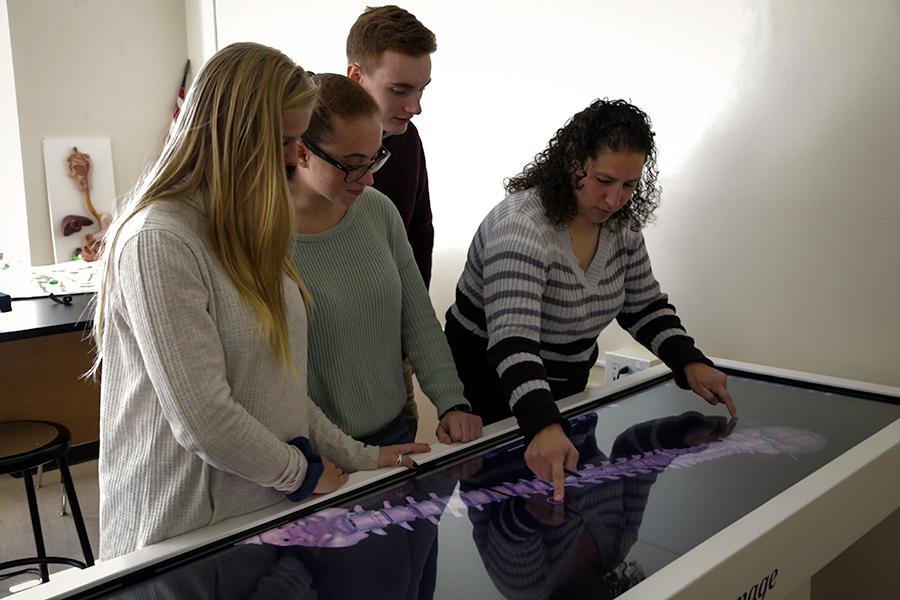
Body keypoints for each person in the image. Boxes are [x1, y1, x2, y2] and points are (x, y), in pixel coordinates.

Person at [91, 43, 425, 560]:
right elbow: (204, 420)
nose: (296, 156)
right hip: (181, 532)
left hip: (262, 516)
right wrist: (302, 472)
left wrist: (358, 456)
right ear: (236, 136)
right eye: (287, 140)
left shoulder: (250, 228)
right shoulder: (158, 239)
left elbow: (279, 389)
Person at [444, 99, 737, 502]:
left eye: (629, 185)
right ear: (572, 164)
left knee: (571, 494)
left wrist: (690, 361)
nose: (615, 200)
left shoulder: (621, 227)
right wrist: (542, 425)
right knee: (514, 502)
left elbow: (643, 306)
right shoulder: (520, 228)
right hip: (495, 391)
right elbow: (513, 342)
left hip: (566, 387)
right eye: (604, 180)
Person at [287, 73, 481, 446]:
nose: (369, 179)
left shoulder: (378, 210)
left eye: (374, 159)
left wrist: (452, 403)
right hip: (318, 450)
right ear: (302, 152)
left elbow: (418, 319)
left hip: (394, 429)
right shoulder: (264, 239)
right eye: (353, 164)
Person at [346, 5, 437, 435]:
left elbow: (420, 236)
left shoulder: (408, 140)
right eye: (400, 90)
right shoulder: (298, 149)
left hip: (391, 346)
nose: (415, 107)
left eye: (422, 90)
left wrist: (409, 336)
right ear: (356, 76)